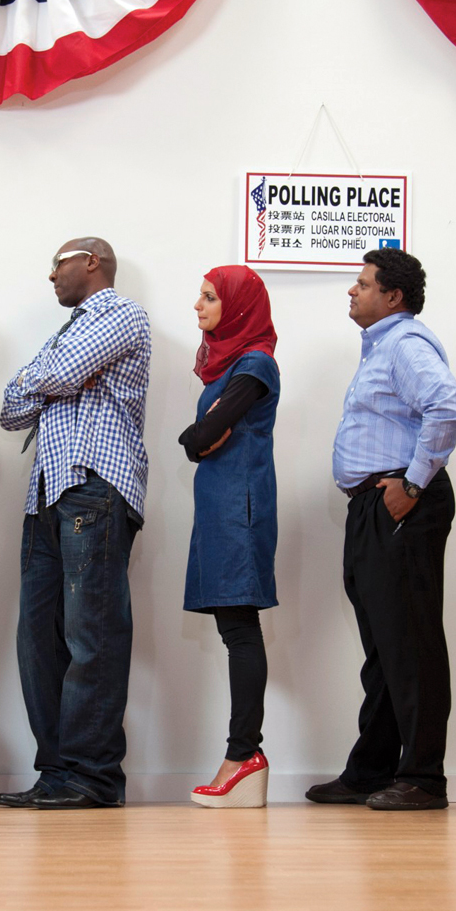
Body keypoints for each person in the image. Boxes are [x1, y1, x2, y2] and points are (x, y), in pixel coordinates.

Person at [308, 248, 456, 812]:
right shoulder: (381, 346)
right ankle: (372, 770)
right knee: (382, 647)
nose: (351, 292)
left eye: (362, 284)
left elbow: (447, 406)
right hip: (374, 505)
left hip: (401, 501)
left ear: (393, 296)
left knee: (411, 643)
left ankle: (424, 777)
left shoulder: (404, 343)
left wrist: (414, 484)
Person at [0, 237, 151, 810]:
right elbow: (12, 409)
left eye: (56, 264)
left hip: (95, 484)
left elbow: (53, 375)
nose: (50, 277)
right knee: (37, 638)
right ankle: (59, 772)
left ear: (91, 261)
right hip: (46, 492)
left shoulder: (120, 313)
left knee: (93, 635)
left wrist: (50, 378)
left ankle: (94, 776)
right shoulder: (68, 331)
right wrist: (53, 379)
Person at [178, 266, 280, 809]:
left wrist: (199, 438)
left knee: (239, 627)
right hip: (221, 505)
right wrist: (199, 438)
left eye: (210, 297)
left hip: (239, 507)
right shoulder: (227, 367)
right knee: (231, 626)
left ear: (239, 306)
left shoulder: (255, 363)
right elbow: (202, 438)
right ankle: (243, 757)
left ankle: (244, 757)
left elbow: (202, 435)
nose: (198, 305)